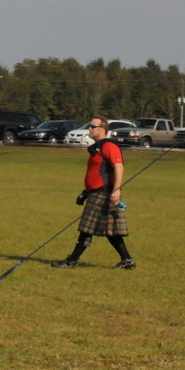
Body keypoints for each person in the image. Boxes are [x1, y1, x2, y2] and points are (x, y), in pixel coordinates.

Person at [52, 115, 136, 269]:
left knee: (86, 228)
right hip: (94, 192)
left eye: (92, 127)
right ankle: (127, 260)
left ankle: (72, 260)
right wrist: (85, 192)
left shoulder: (109, 146)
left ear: (102, 129)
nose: (89, 129)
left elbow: (118, 167)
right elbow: (95, 173)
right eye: (89, 126)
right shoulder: (97, 148)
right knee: (111, 231)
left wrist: (116, 190)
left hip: (104, 193)